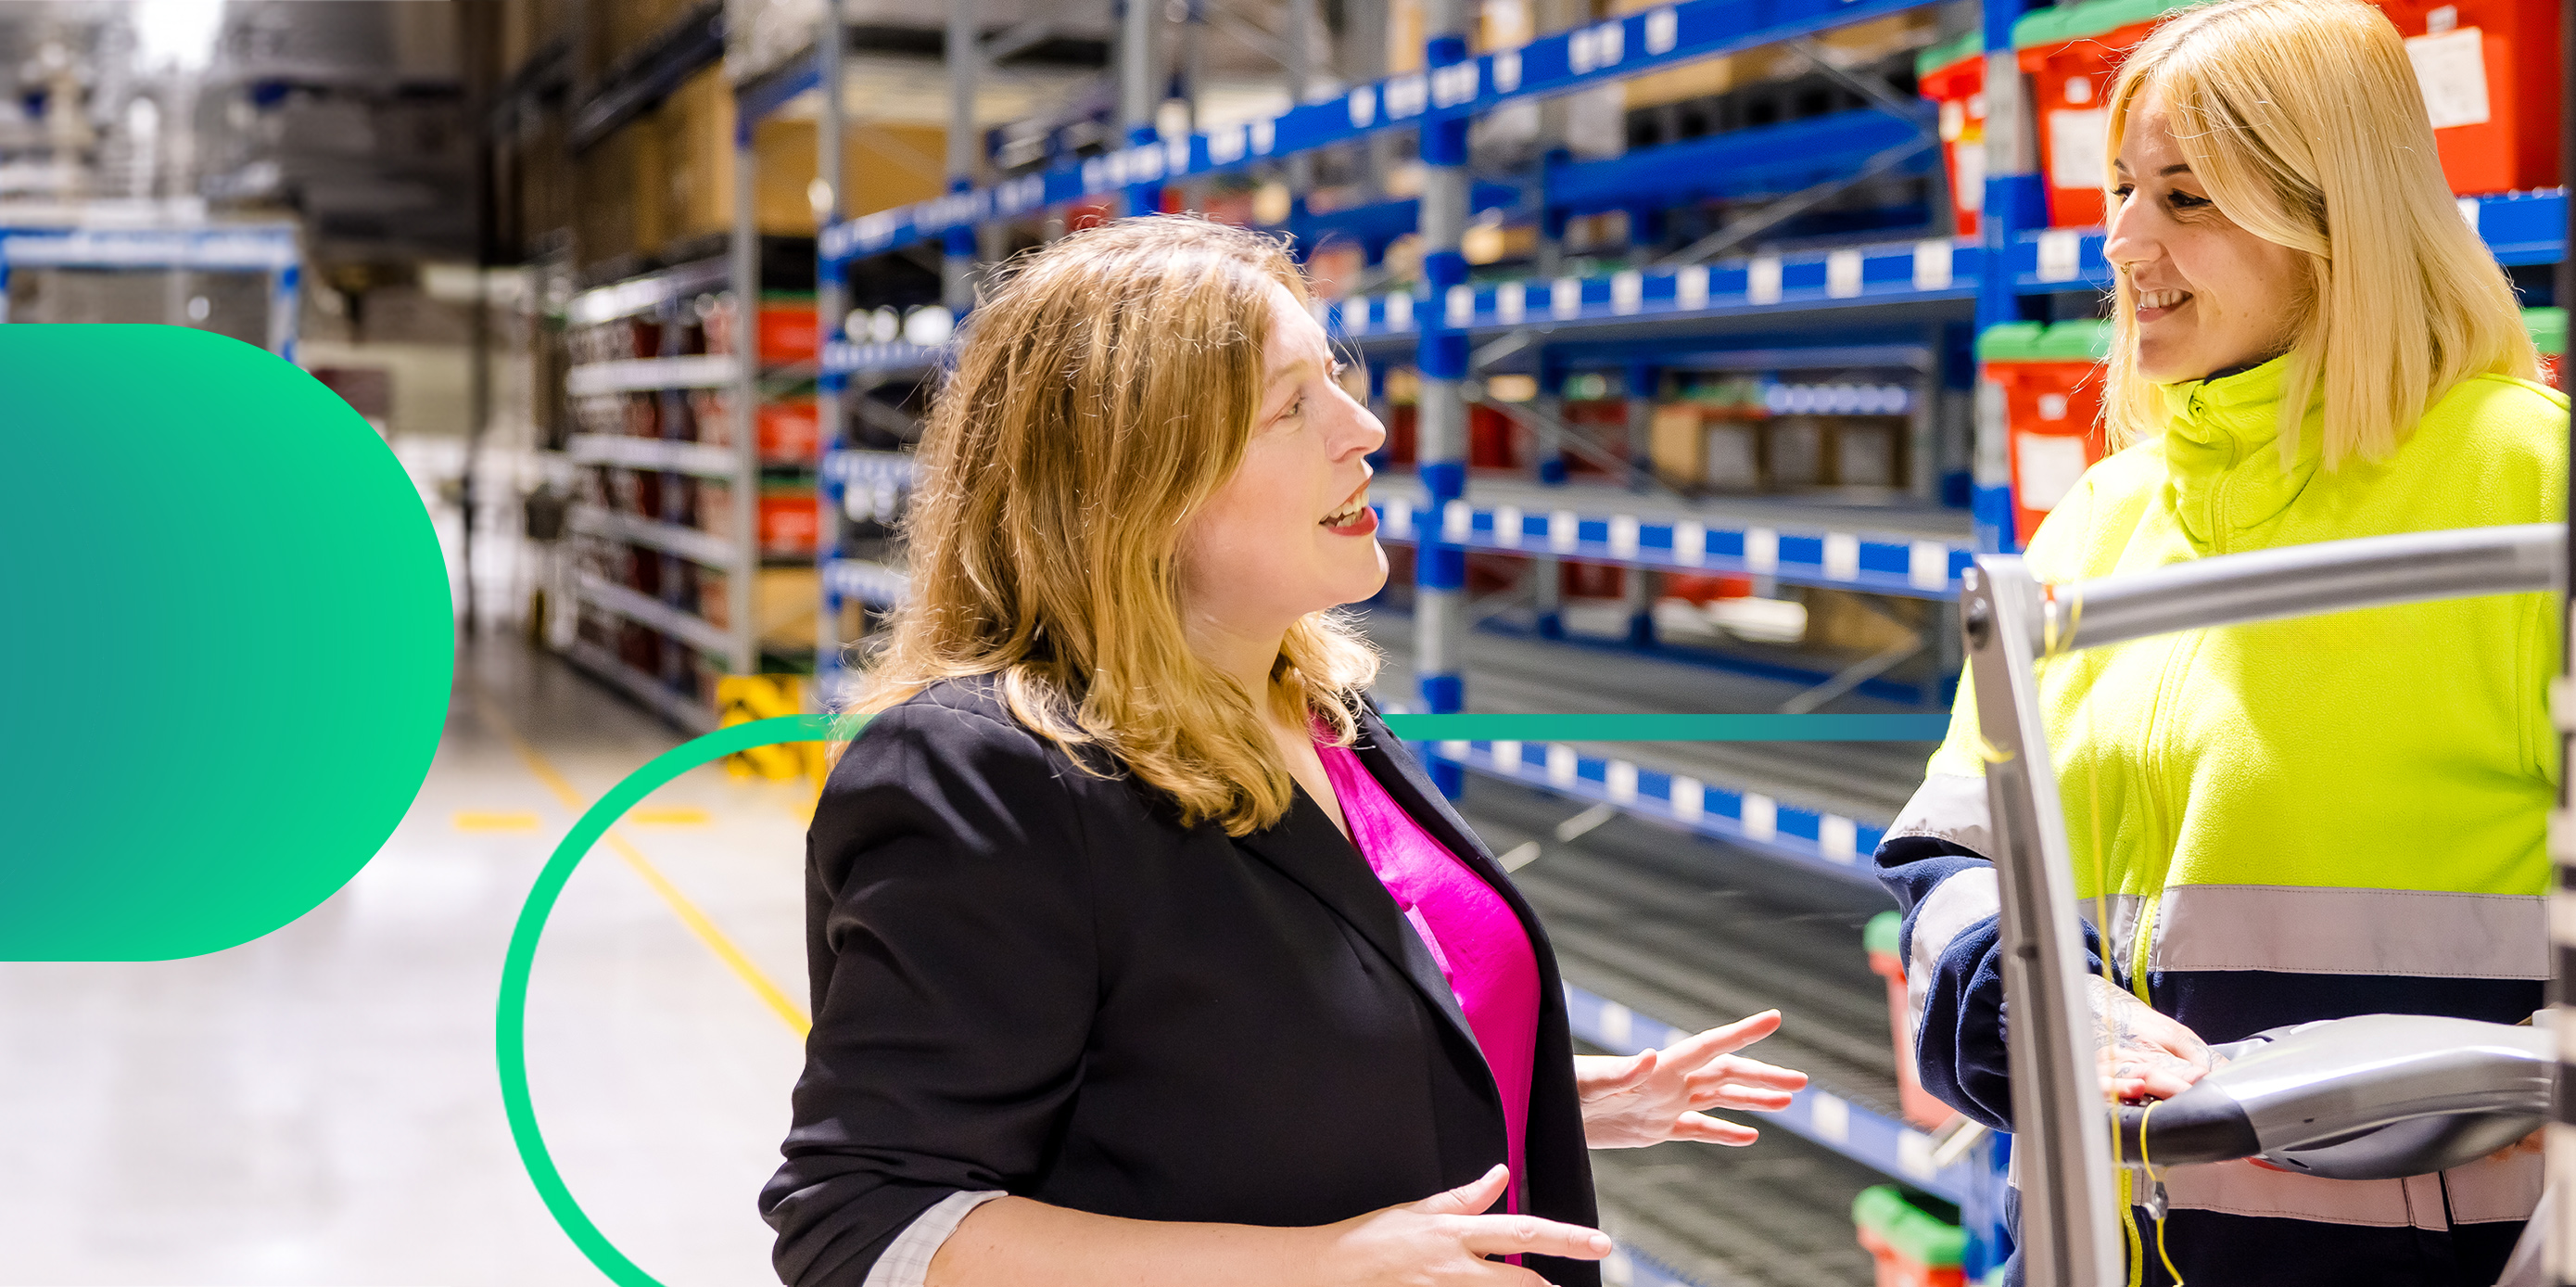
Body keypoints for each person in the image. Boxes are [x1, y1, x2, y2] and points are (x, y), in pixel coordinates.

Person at [760, 215, 1811, 1287]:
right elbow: (861, 1224)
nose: (1361, 429)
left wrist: (1534, 1090)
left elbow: (1224, 1069)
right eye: (1289, 407)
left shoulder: (1309, 706)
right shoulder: (983, 773)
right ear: (1136, 481)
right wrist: (1316, 1265)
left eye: (1337, 379)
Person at [1870, 2, 2568, 1282]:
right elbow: (1950, 842)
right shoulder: (2104, 512)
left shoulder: (2534, 489)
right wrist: (2013, 991)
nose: (2126, 239)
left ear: (2334, 219)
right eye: (2125, 187)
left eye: (2188, 198)